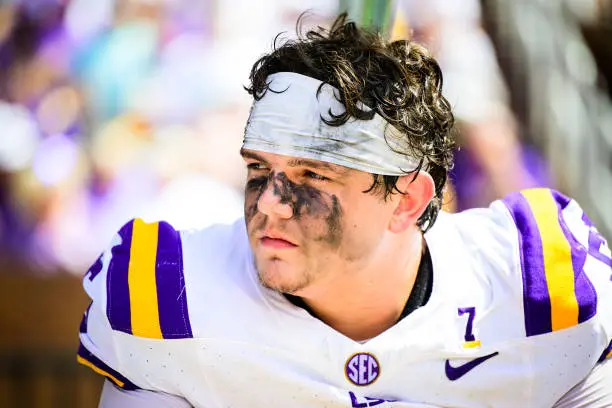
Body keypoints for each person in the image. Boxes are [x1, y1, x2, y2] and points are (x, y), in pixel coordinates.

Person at [77, 13, 612, 408]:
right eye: (259, 171)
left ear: (408, 200)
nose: (269, 205)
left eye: (313, 176)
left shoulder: (534, 287)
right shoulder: (176, 294)